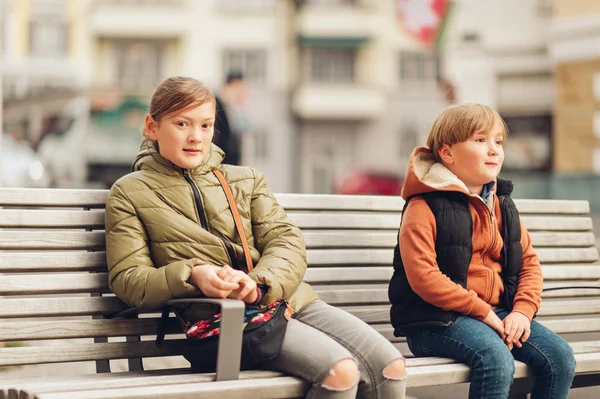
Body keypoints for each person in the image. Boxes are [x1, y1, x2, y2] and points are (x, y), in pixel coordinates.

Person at [105, 76, 406, 398]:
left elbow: (286, 241)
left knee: (391, 366)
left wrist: (260, 283)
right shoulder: (129, 192)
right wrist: (193, 275)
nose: (196, 137)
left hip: (287, 299)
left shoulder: (245, 180)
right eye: (182, 124)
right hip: (221, 319)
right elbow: (128, 278)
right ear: (152, 127)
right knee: (340, 372)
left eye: (206, 126)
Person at [388, 103, 576, 399]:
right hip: (434, 321)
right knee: (496, 360)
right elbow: (424, 277)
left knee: (560, 358)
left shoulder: (502, 205)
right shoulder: (423, 206)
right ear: (447, 153)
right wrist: (484, 312)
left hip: (498, 315)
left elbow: (529, 264)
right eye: (480, 140)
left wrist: (522, 313)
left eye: (498, 142)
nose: (494, 150)